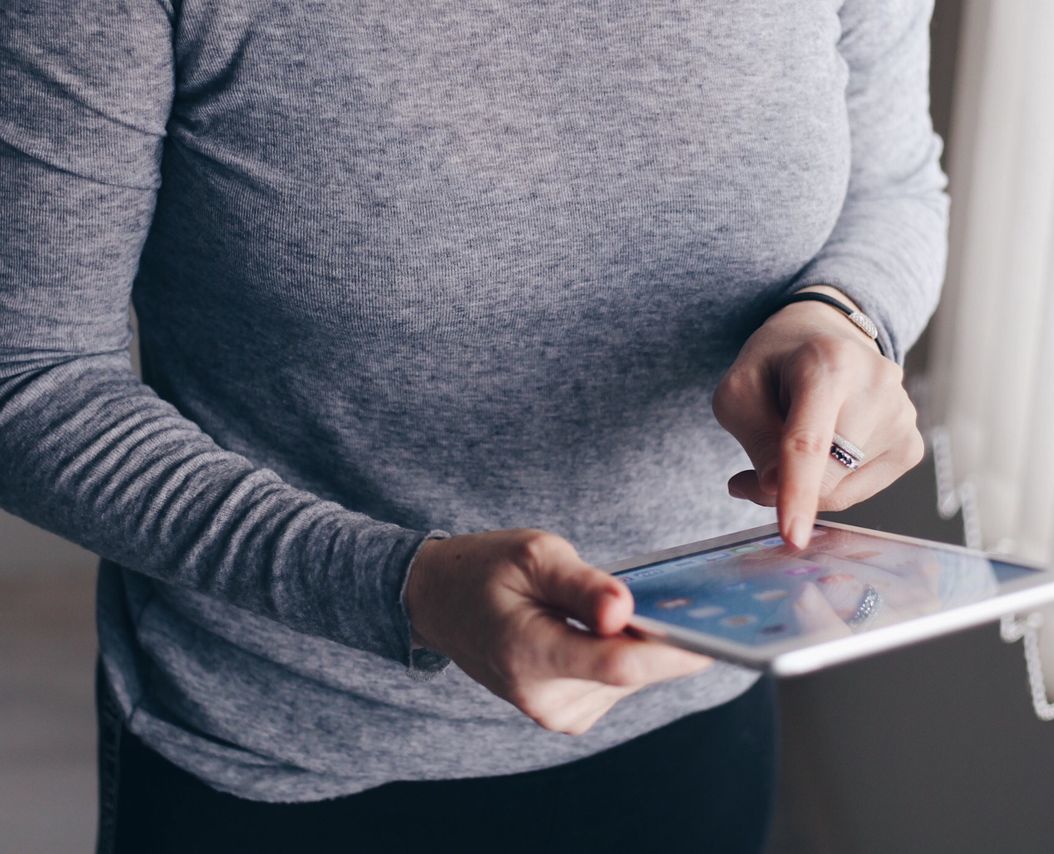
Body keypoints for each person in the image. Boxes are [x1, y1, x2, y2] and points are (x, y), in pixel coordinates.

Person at [0, 0, 947, 851]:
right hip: (293, 754)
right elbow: (31, 373)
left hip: (700, 698)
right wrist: (399, 585)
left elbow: (895, 183)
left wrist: (844, 315)